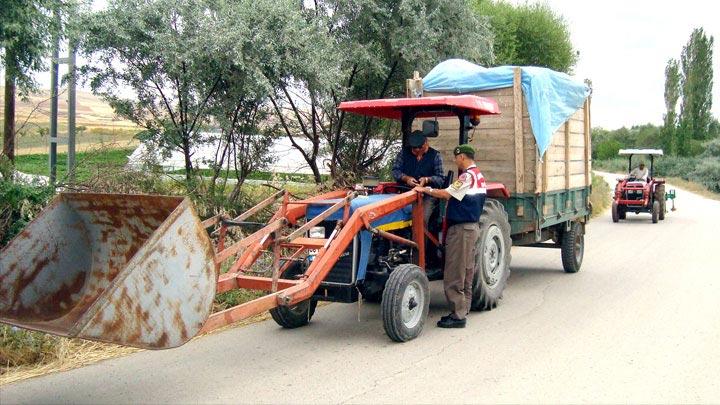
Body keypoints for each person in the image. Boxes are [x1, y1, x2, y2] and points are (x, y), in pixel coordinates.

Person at [418, 144, 486, 328]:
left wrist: (426, 190)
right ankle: (464, 308)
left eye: (457, 157)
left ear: (462, 157)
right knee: (466, 270)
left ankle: (457, 316)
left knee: (454, 271)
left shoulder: (467, 177)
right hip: (471, 228)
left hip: (461, 230)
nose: (455, 161)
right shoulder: (479, 176)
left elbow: (446, 194)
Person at [391, 130, 444, 224]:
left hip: (427, 196)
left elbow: (440, 178)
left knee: (421, 219)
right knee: (392, 215)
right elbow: (395, 171)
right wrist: (406, 178)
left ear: (426, 142)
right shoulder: (403, 153)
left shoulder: (435, 156)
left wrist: (427, 179)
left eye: (419, 147)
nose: (416, 150)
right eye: (414, 148)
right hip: (405, 192)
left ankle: (420, 238)